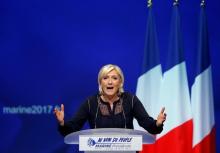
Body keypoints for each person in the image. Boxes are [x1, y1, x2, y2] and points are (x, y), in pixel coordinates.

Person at [54, 64, 166, 136]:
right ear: (100, 82)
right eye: (105, 78)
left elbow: (148, 124)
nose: (110, 82)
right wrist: (62, 123)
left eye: (114, 78)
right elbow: (73, 128)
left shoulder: (130, 100)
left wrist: (157, 123)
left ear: (120, 82)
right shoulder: (90, 102)